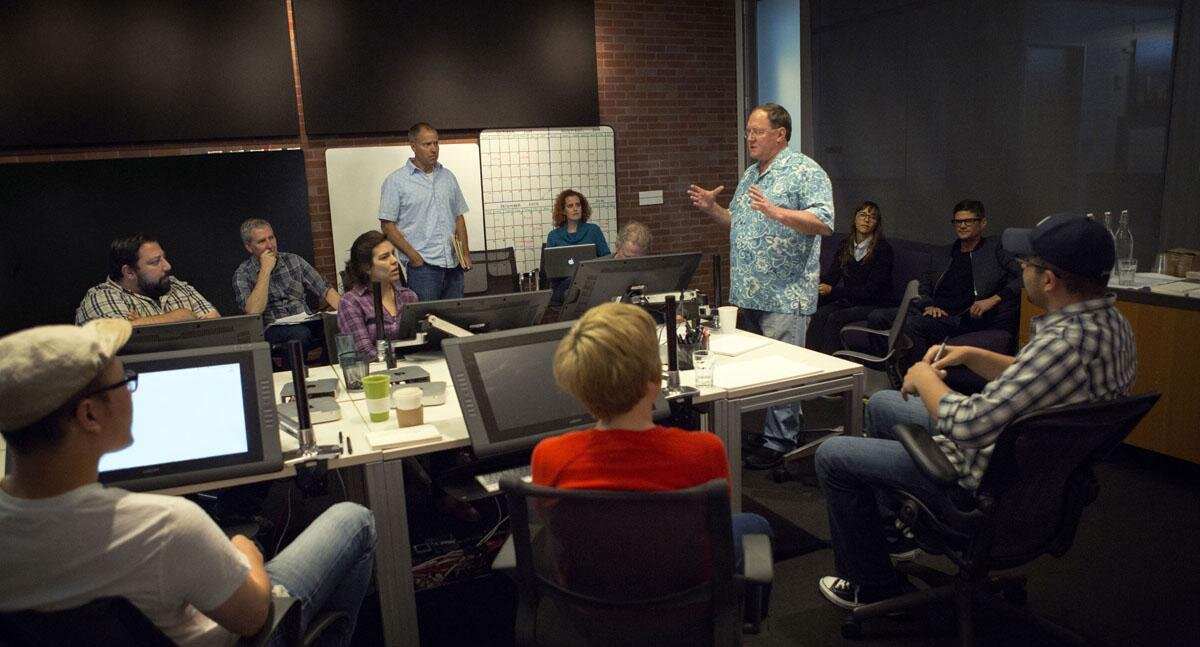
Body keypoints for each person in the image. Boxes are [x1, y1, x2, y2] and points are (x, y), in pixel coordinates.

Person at [814, 213, 1136, 609]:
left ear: (1049, 280)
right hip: (1036, 473)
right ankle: (893, 538)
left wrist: (923, 377)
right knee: (882, 405)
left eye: (1026, 263)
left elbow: (969, 425)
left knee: (833, 456)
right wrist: (971, 354)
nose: (1021, 268)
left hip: (983, 484)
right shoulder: (1110, 326)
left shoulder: (1063, 345)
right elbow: (1039, 377)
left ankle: (872, 585)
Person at [0, 319, 376, 646]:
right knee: (353, 520)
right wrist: (246, 553)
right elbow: (252, 618)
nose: (131, 392)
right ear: (90, 416)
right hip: (240, 633)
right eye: (126, 382)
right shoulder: (166, 525)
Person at [531, 301, 773, 625]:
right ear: (655, 380)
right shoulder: (704, 450)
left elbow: (555, 527)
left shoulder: (549, 455)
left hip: (591, 614)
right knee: (754, 525)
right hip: (685, 612)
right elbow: (712, 527)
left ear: (579, 391)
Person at [688, 102, 834, 469]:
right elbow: (739, 222)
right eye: (748, 132)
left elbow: (824, 221)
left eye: (757, 131)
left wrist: (777, 212)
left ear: (780, 134)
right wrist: (712, 209)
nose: (750, 138)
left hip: (785, 294)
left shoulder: (805, 171)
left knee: (784, 373)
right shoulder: (751, 174)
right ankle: (774, 433)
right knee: (760, 372)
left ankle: (780, 443)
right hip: (749, 293)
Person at [866, 199, 1021, 371]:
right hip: (932, 311)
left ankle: (921, 377)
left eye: (968, 221)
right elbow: (923, 287)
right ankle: (888, 371)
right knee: (877, 317)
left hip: (959, 318)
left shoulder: (994, 248)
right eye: (958, 222)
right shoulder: (942, 254)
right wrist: (928, 305)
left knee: (911, 325)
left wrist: (994, 299)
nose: (962, 226)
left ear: (982, 223)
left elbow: (1023, 277)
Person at [378, 122, 472, 302]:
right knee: (426, 317)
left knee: (456, 316)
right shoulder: (396, 181)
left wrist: (465, 254)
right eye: (427, 144)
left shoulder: (448, 177)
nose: (433, 149)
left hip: (454, 265)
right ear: (413, 146)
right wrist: (414, 258)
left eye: (436, 143)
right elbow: (387, 226)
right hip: (424, 268)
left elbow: (458, 217)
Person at [233, 218, 341, 367]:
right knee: (299, 334)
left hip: (304, 319)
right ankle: (292, 376)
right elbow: (253, 311)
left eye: (271, 238)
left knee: (338, 323)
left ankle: (329, 368)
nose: (270, 245)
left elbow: (324, 288)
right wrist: (265, 270)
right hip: (272, 328)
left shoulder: (293, 260)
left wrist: (346, 312)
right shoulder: (243, 274)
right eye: (262, 241)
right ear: (249, 247)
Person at [805, 201, 894, 355]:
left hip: (874, 303)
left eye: (872, 217)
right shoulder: (845, 245)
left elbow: (870, 291)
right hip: (851, 300)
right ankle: (809, 357)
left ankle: (831, 362)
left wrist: (832, 291)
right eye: (863, 215)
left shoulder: (883, 250)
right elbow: (832, 278)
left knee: (835, 318)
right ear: (855, 218)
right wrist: (815, 278)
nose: (866, 220)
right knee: (819, 314)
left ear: (876, 223)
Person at [76, 234, 220, 326]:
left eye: (164, 258)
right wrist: (184, 316)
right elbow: (121, 338)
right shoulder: (101, 296)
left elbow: (215, 327)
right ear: (129, 272)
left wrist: (141, 323)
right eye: (155, 262)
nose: (167, 266)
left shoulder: (177, 286)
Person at [337, 230, 420, 361]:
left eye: (393, 254)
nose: (394, 261)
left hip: (412, 365)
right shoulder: (351, 302)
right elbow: (364, 351)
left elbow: (420, 341)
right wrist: (402, 354)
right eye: (384, 257)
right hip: (375, 370)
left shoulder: (409, 296)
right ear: (366, 268)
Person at [545, 189, 611, 256]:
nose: (575, 209)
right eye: (570, 206)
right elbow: (549, 262)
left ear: (582, 208)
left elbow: (606, 257)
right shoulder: (553, 236)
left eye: (578, 205)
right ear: (563, 211)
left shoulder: (593, 230)